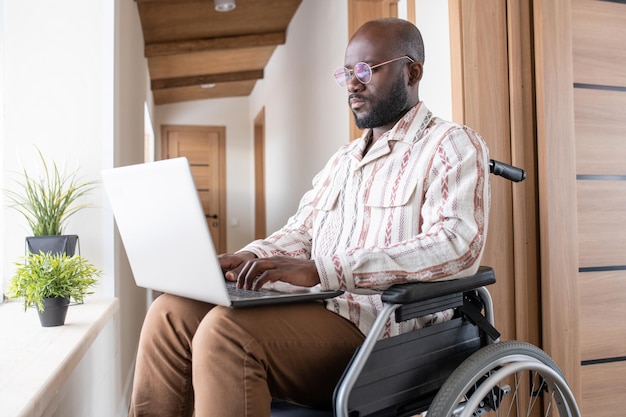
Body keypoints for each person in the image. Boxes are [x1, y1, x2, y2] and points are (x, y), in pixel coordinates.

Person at [128, 17, 490, 417]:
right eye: (347, 73)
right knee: (170, 312)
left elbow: (456, 246)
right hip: (316, 311)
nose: (353, 84)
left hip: (382, 332)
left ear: (413, 71)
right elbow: (302, 231)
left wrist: (324, 269)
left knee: (225, 333)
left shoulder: (450, 144)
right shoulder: (344, 160)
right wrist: (250, 257)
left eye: (367, 70)